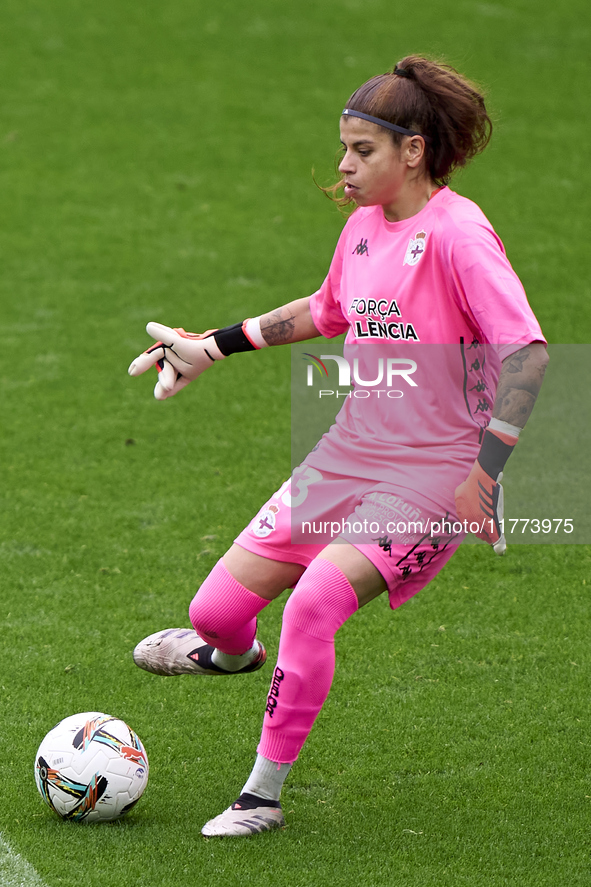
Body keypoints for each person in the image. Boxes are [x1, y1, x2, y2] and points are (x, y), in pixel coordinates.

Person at [128, 55, 548, 837]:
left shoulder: (459, 235)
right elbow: (325, 311)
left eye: (361, 151)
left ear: (412, 151)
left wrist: (486, 474)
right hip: (348, 454)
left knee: (315, 602)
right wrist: (210, 346)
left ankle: (260, 795)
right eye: (343, 149)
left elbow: (526, 352)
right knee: (215, 612)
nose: (344, 166)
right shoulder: (362, 229)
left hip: (435, 474)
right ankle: (228, 654)